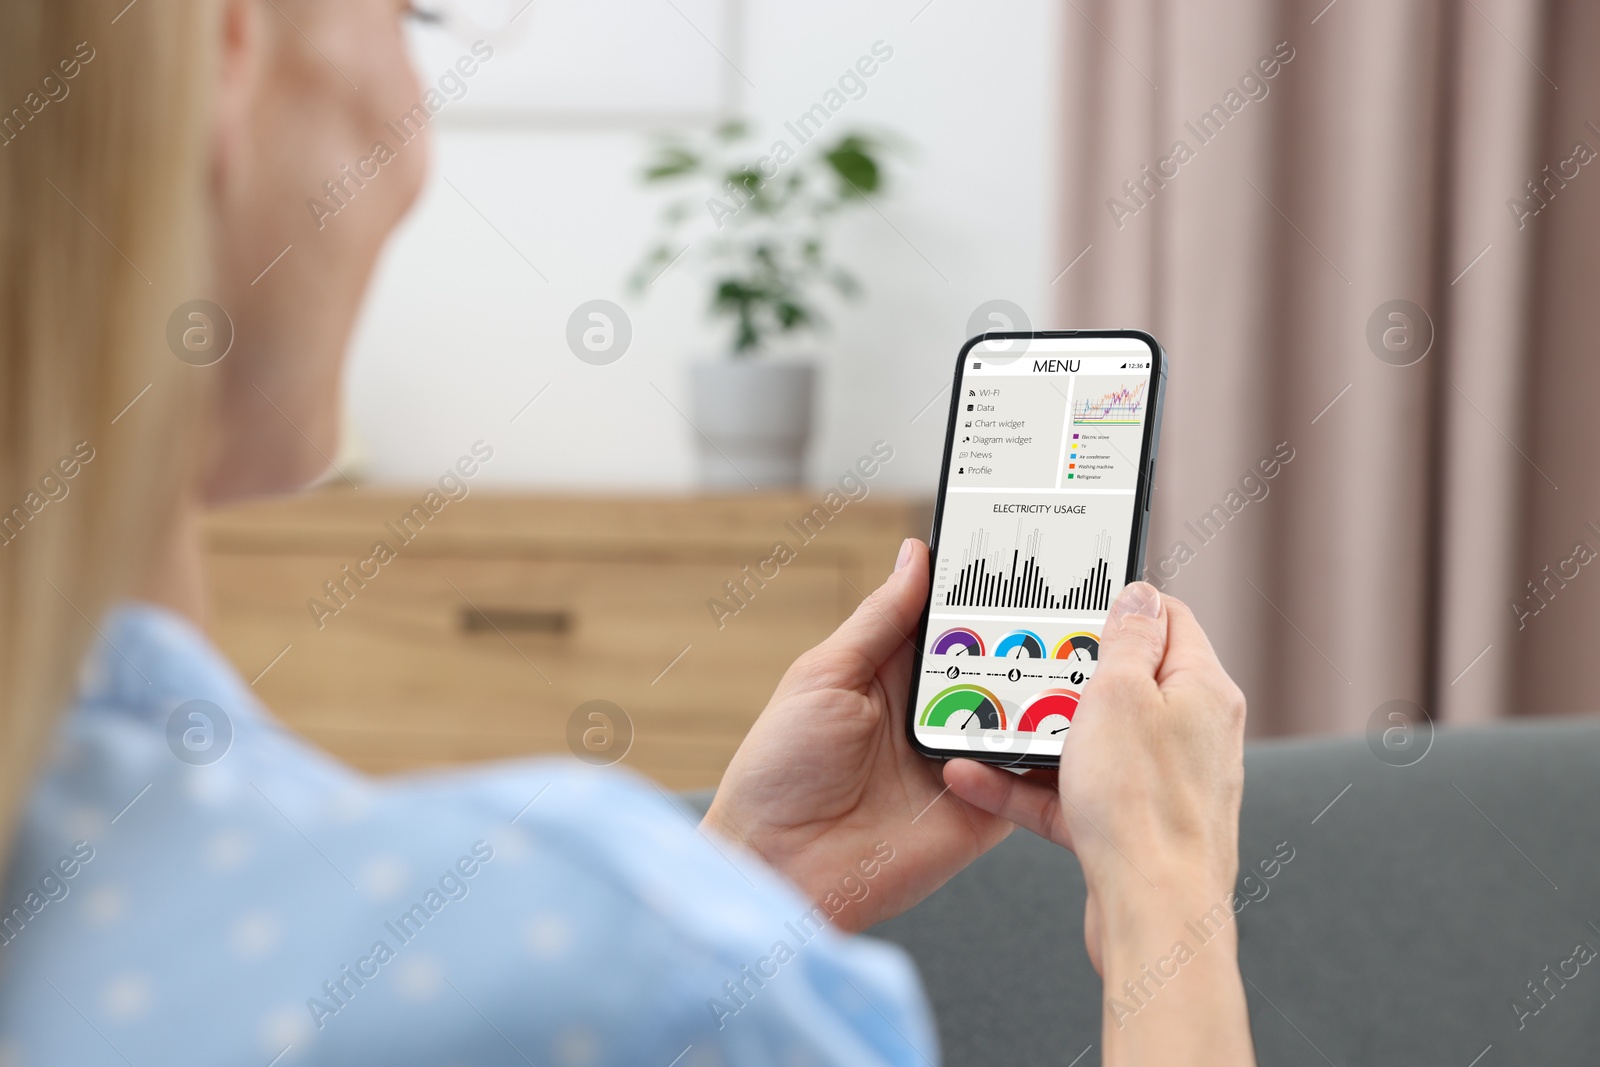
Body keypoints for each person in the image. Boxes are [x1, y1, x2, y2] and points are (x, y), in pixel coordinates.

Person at [0, 1, 1255, 1063]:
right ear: (229, 63)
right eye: (406, 14)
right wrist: (1166, 891)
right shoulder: (610, 958)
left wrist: (734, 886)